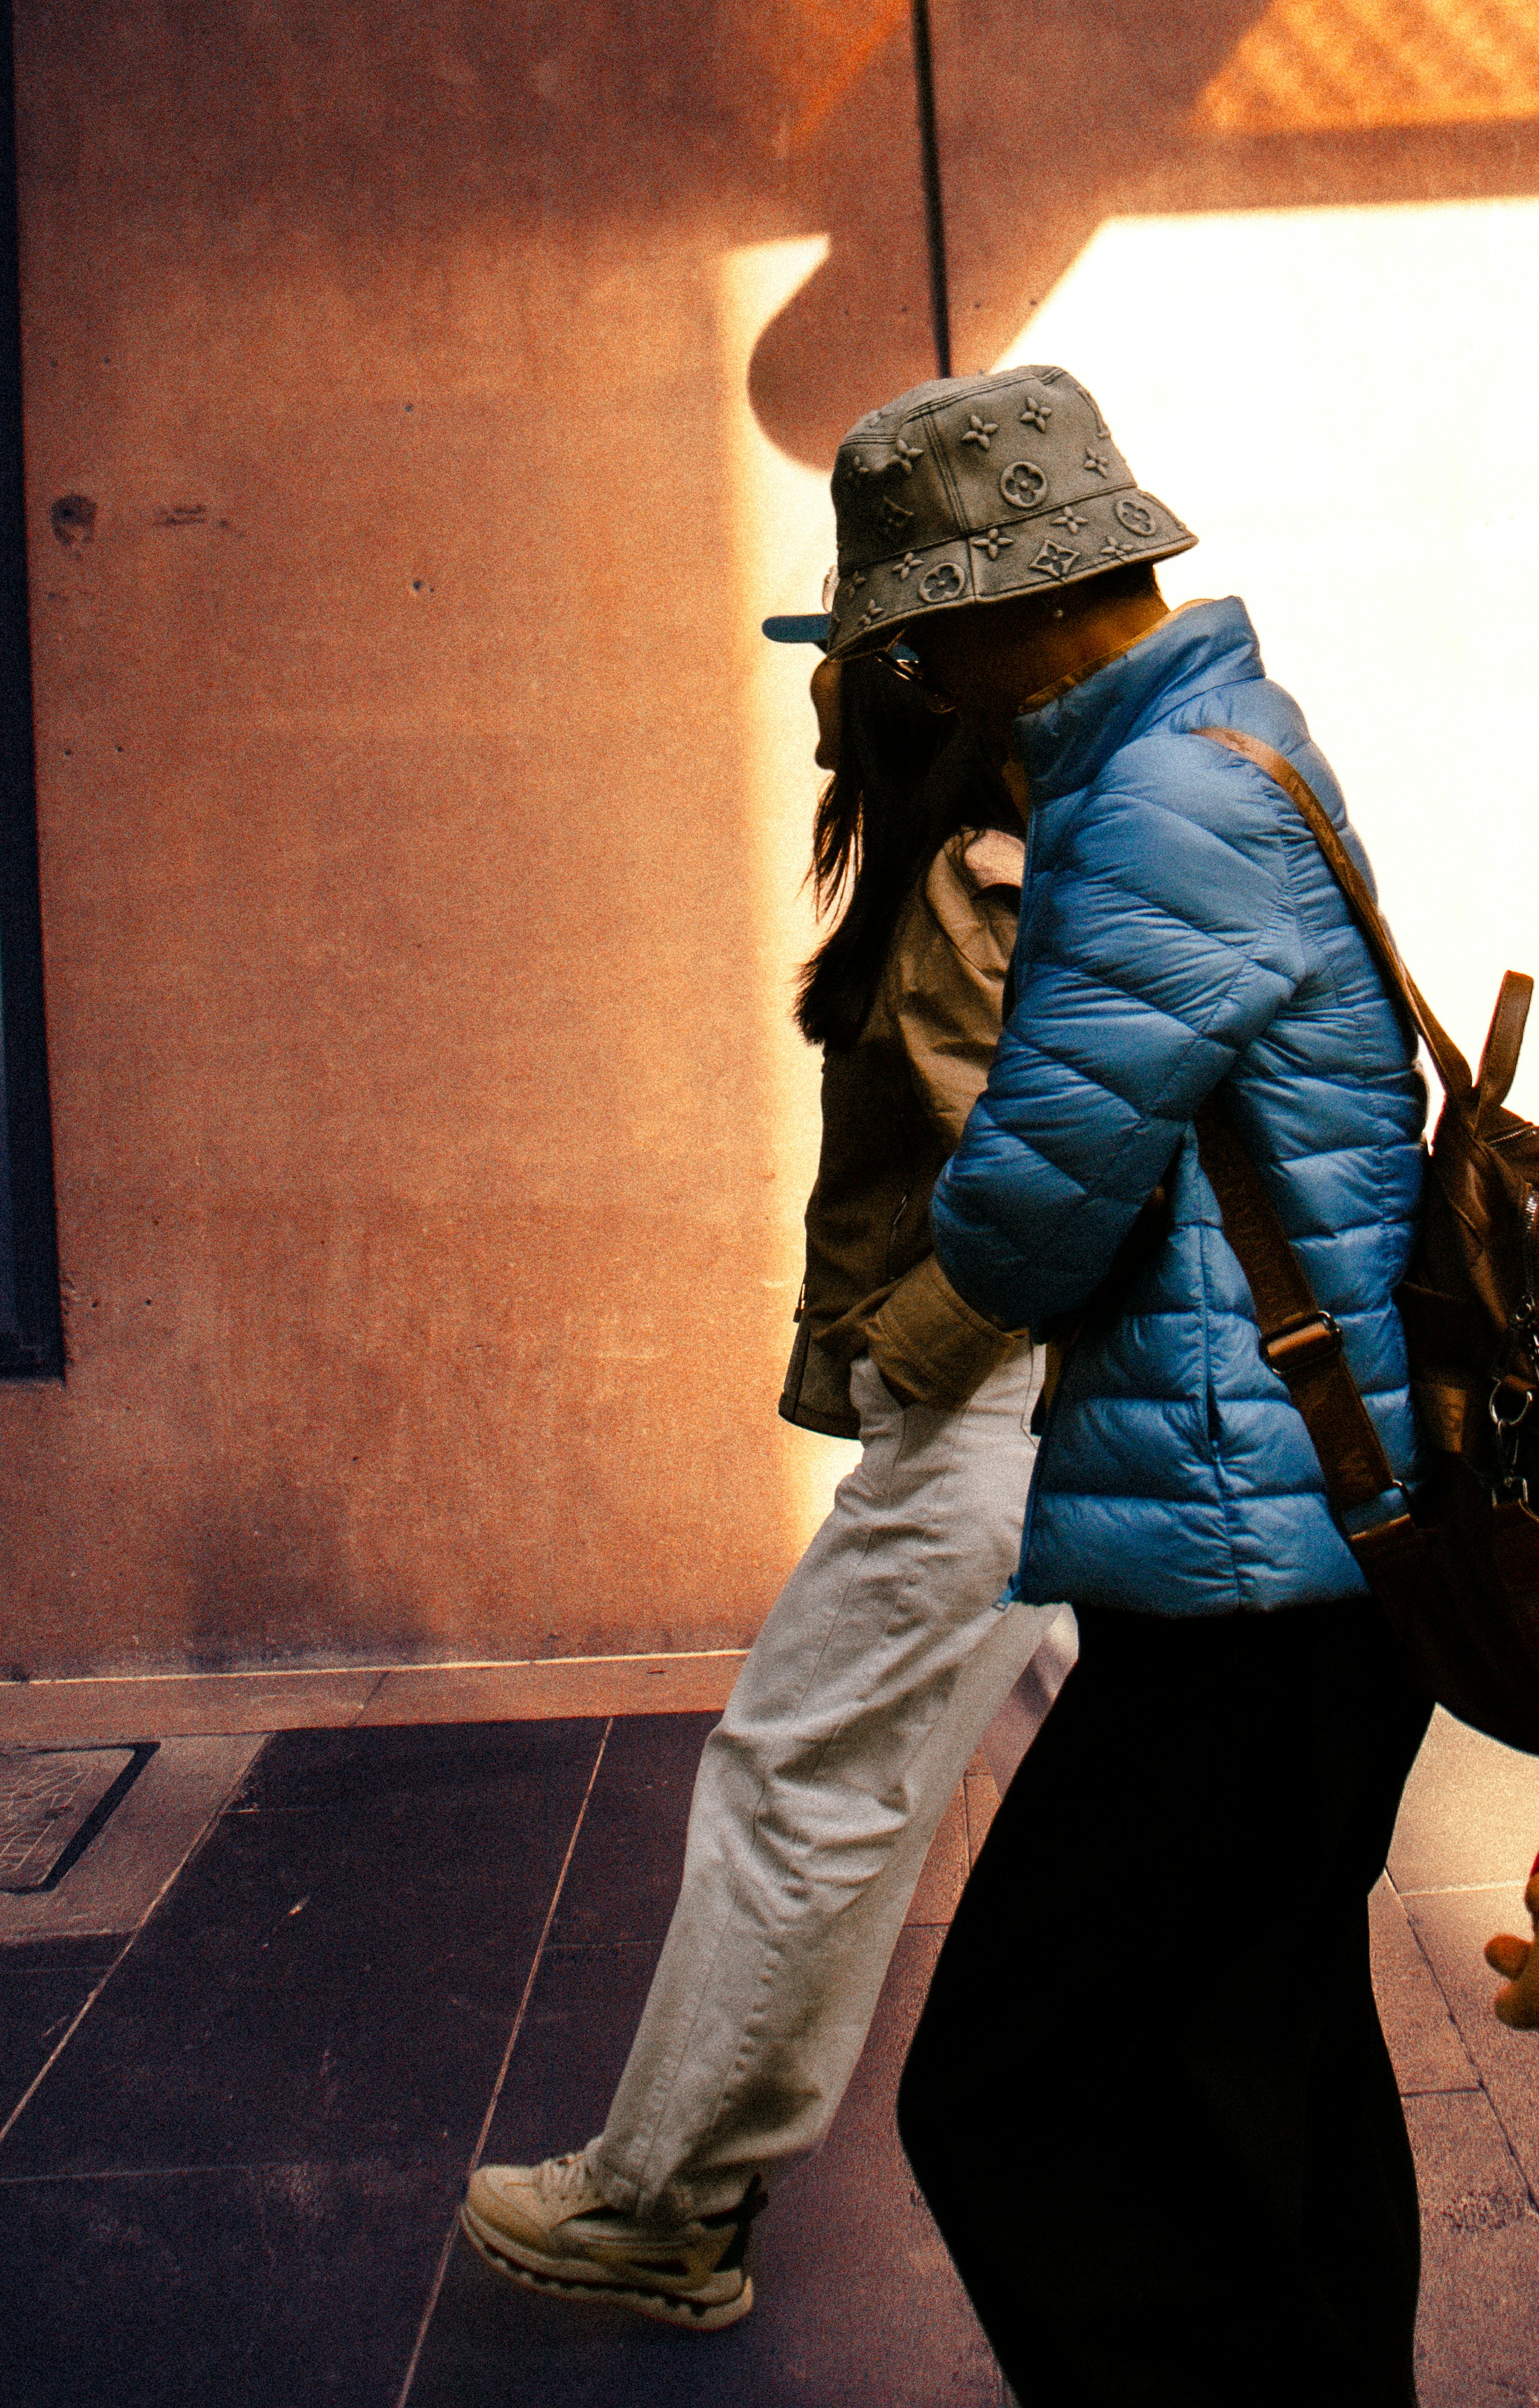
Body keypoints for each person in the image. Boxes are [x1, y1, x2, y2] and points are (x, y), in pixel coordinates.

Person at [817, 361, 1435, 2408]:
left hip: (1244, 1563)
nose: (934, 683)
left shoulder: (1154, 803)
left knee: (1011, 2086)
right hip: (1305, 1527)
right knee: (1261, 2054)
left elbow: (1025, 1217)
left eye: (929, 636)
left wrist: (973, 1209)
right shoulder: (1230, 737)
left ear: (1007, 605)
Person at [460, 636, 1053, 2329]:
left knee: (805, 1775)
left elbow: (1039, 1194)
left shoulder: (966, 873)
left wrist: (914, 1354)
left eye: (837, 661)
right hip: (1036, 1420)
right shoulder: (1004, 848)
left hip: (995, 1420)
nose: (810, 698)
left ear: (916, 693)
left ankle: (660, 2205)